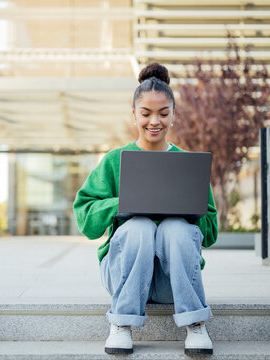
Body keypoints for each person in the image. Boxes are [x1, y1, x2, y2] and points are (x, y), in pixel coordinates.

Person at [73, 62, 218, 355]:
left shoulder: (186, 164)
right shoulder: (115, 160)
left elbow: (211, 231)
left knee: (175, 228)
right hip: (124, 275)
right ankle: (121, 324)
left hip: (171, 282)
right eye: (146, 113)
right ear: (134, 115)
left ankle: (195, 324)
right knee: (138, 225)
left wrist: (185, 212)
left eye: (163, 113)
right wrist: (124, 205)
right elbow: (85, 217)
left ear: (174, 115)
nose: (155, 121)